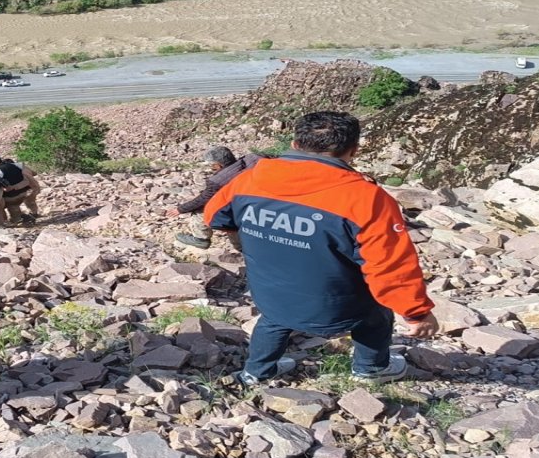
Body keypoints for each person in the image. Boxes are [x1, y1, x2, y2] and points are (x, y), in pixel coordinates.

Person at [204, 111, 439, 386]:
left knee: (273, 321)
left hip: (271, 292)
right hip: (339, 303)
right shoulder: (365, 198)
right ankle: (371, 369)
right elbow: (390, 265)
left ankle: (255, 373)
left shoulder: (249, 180)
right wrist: (416, 312)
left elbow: (215, 217)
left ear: (294, 144)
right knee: (376, 316)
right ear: (353, 151)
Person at [164, 146, 255, 250]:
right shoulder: (250, 159)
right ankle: (245, 248)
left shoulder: (218, 180)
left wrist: (180, 209)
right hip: (260, 201)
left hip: (242, 209)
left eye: (212, 165)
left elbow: (203, 199)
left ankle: (201, 239)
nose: (211, 167)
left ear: (218, 165)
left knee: (202, 211)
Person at [0, 155, 40, 223]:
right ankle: (30, 215)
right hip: (24, 191)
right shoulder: (14, 165)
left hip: (11, 195)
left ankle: (16, 220)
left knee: (2, 205)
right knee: (15, 204)